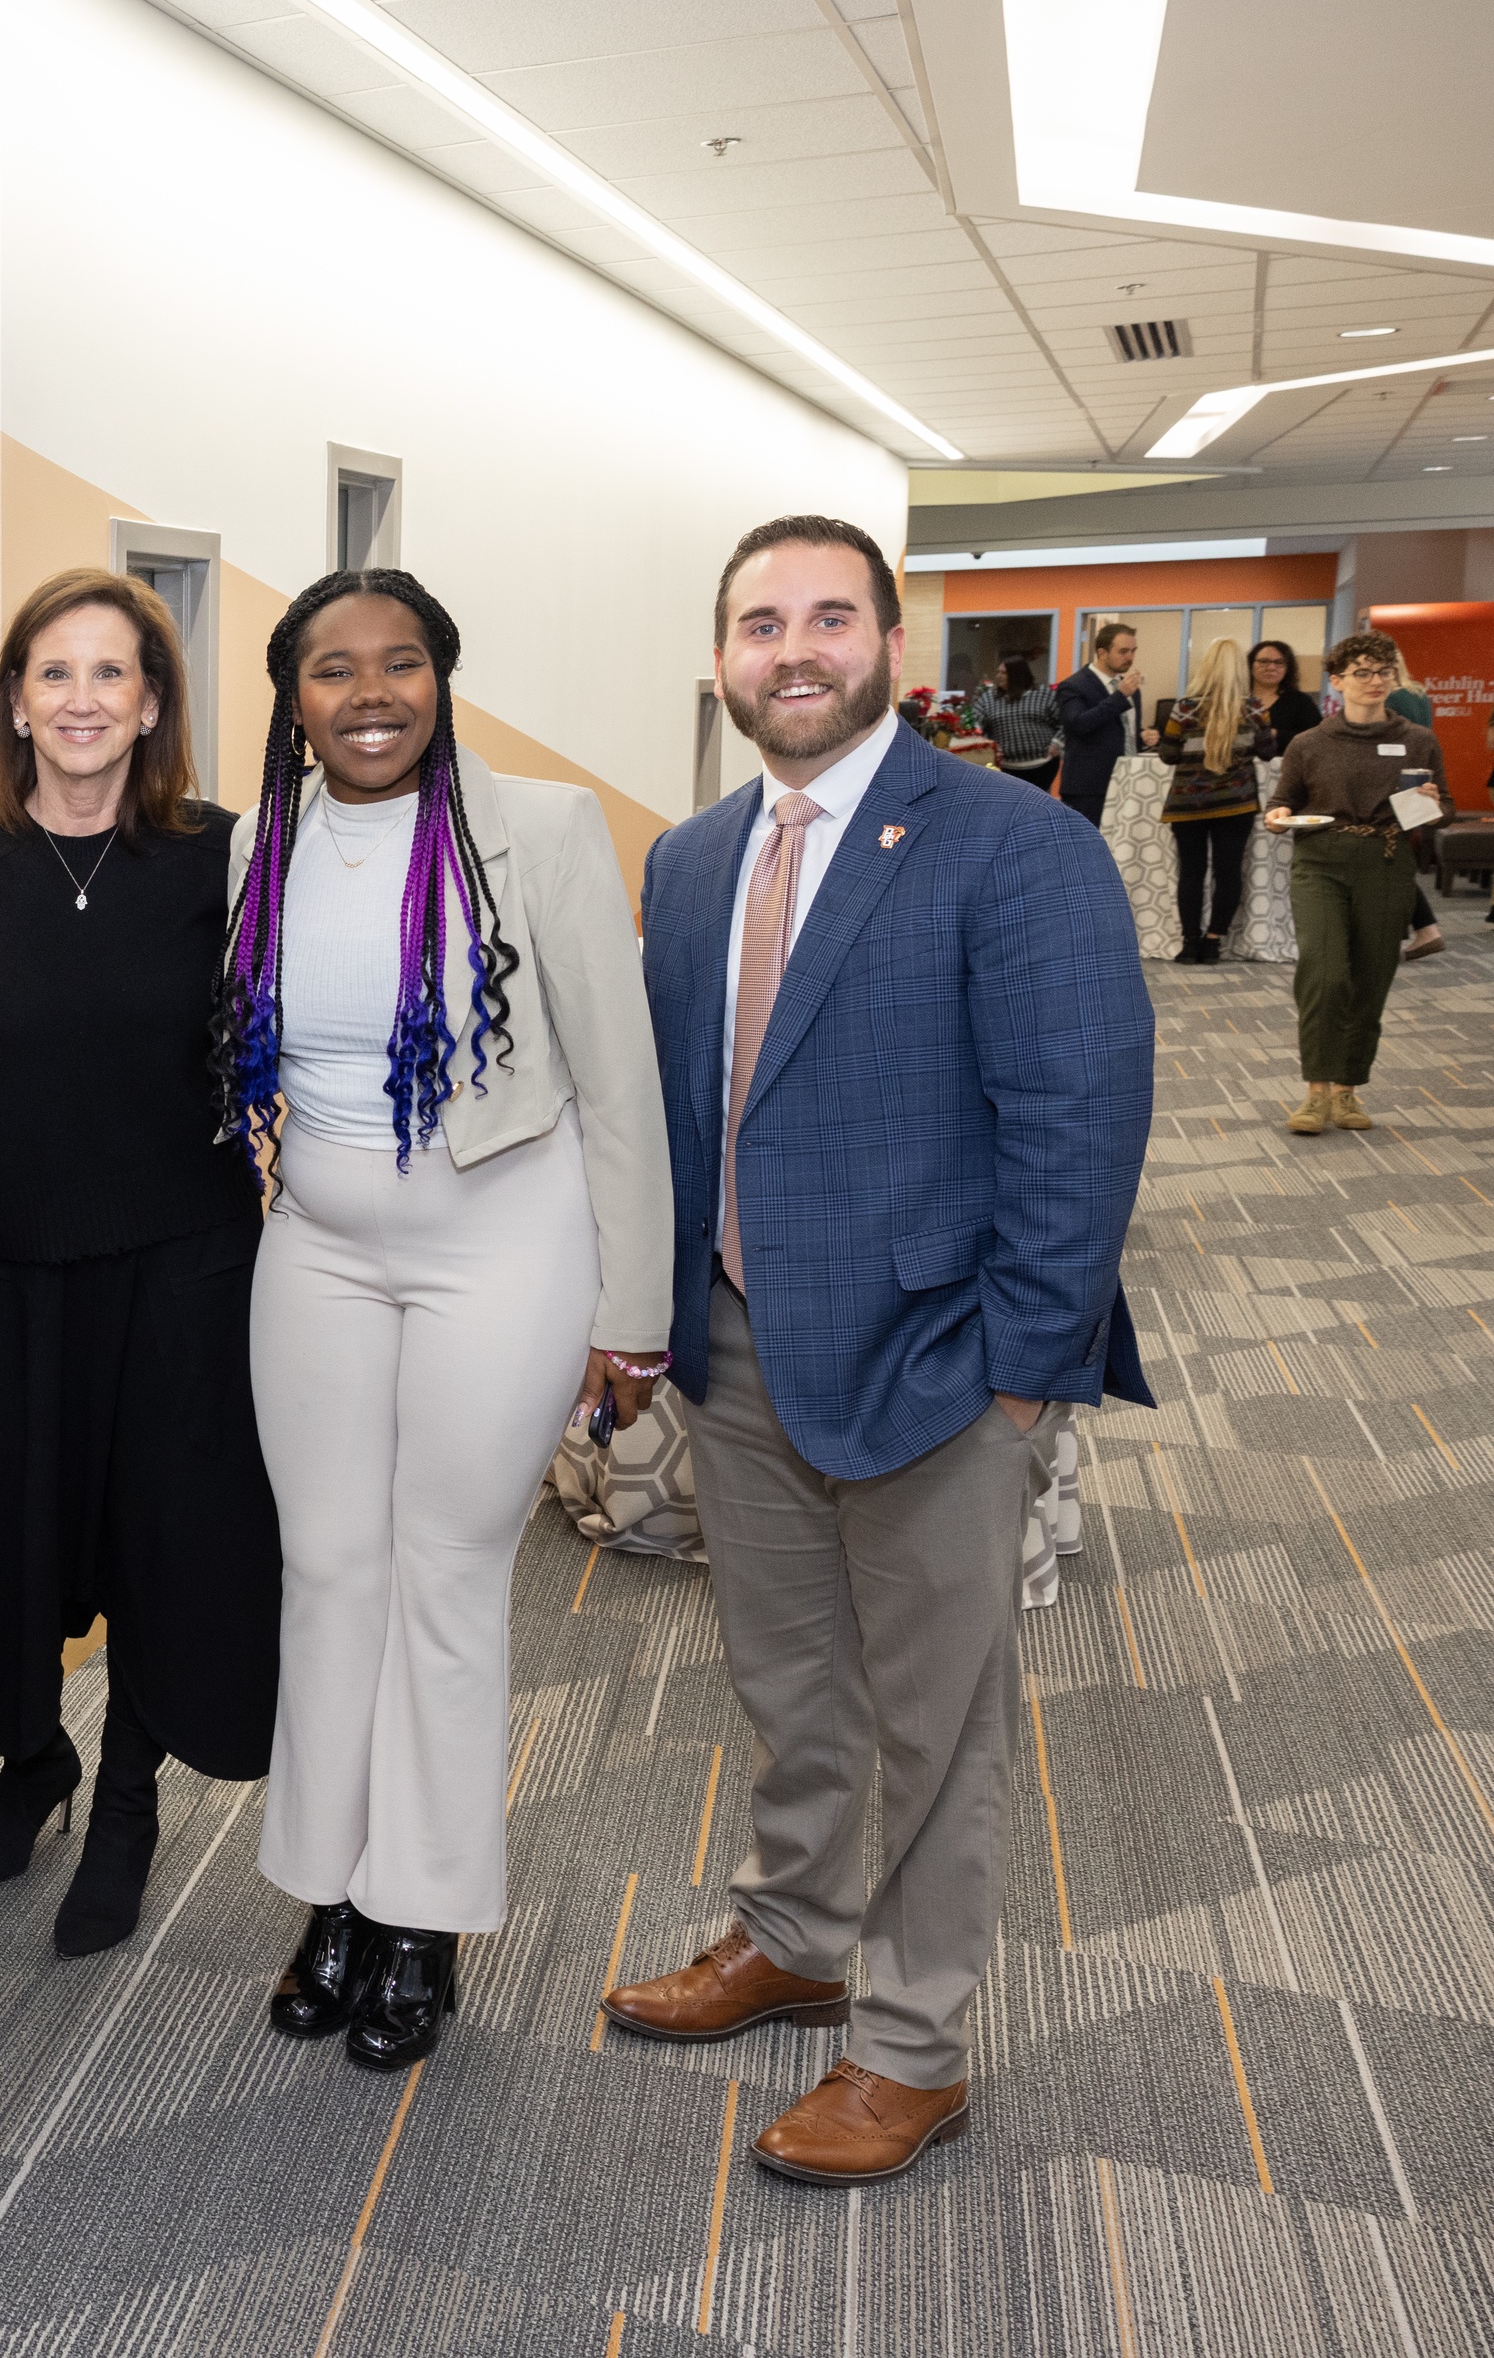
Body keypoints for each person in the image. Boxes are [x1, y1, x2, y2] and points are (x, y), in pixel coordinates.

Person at [605, 514, 1149, 2188]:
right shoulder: (691, 861)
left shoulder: (1007, 845)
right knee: (784, 1683)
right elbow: (680, 1115)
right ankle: (790, 1930)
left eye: (827, 617)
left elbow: (1079, 1114)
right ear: (718, 659)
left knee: (937, 1718)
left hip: (936, 1355)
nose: (792, 650)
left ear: (888, 647)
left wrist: (1022, 1366)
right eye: (758, 622)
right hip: (737, 1343)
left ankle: (909, 2047)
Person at [216, 569, 673, 2071]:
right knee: (328, 1569)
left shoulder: (533, 829)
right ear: (291, 696)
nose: (369, 695)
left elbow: (617, 1082)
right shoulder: (252, 847)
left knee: (447, 1577)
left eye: (399, 664)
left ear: (441, 679)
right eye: (333, 670)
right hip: (320, 1241)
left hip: (502, 1238)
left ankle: (419, 1919)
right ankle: (331, 1895)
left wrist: (635, 1307)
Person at [0, 569, 278, 1959]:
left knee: (155, 1549)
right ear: (15, 700)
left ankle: (123, 1803)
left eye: (108, 674)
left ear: (152, 703)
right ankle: (32, 1763)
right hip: (5, 1272)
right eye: (51, 674)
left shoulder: (220, 859)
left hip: (180, 1275)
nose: (78, 700)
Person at [1265, 631, 1428, 1135]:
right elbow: (1282, 800)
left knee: (1372, 978)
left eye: (1384, 672)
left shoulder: (1418, 739)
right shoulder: (1310, 742)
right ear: (1337, 681)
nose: (1376, 681)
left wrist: (1428, 804)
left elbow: (1432, 818)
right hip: (1321, 862)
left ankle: (1348, 1089)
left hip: (1386, 860)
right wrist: (1279, 815)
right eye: (1362, 672)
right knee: (1326, 971)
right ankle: (1316, 1091)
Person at [1159, 635, 1271, 964]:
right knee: (1228, 872)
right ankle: (1213, 942)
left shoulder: (1184, 708)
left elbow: (1167, 755)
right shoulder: (1254, 709)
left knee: (1191, 873)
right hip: (1235, 804)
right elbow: (1266, 753)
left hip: (1187, 804)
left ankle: (1189, 943)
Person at [1384, 644, 1446, 958]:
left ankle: (1424, 928)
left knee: (1390, 861)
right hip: (1419, 781)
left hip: (1393, 782)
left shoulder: (1392, 697)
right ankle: (1422, 928)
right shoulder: (1420, 694)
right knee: (1397, 857)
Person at [1051, 620, 1143, 823]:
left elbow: (1124, 731)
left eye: (1133, 651)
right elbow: (1078, 725)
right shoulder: (1074, 686)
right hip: (1089, 787)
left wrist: (1144, 735)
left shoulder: (1128, 687)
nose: (1130, 657)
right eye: (1123, 651)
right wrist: (1119, 698)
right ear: (1102, 653)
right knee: (1088, 849)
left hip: (1128, 781)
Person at [984, 653, 1058, 795]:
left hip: (1042, 765)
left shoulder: (1042, 694)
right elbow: (977, 725)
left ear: (1017, 675)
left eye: (1004, 673)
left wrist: (1057, 743)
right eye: (998, 672)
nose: (999, 676)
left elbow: (1062, 723)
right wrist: (988, 745)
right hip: (1006, 768)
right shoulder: (989, 699)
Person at [1245, 639, 1321, 755]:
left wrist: (1277, 734)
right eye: (1264, 661)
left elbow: (1316, 738)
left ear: (1288, 668)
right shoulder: (1236, 700)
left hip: (1284, 769)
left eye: (1279, 662)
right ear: (1251, 665)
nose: (1271, 667)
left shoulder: (1301, 702)